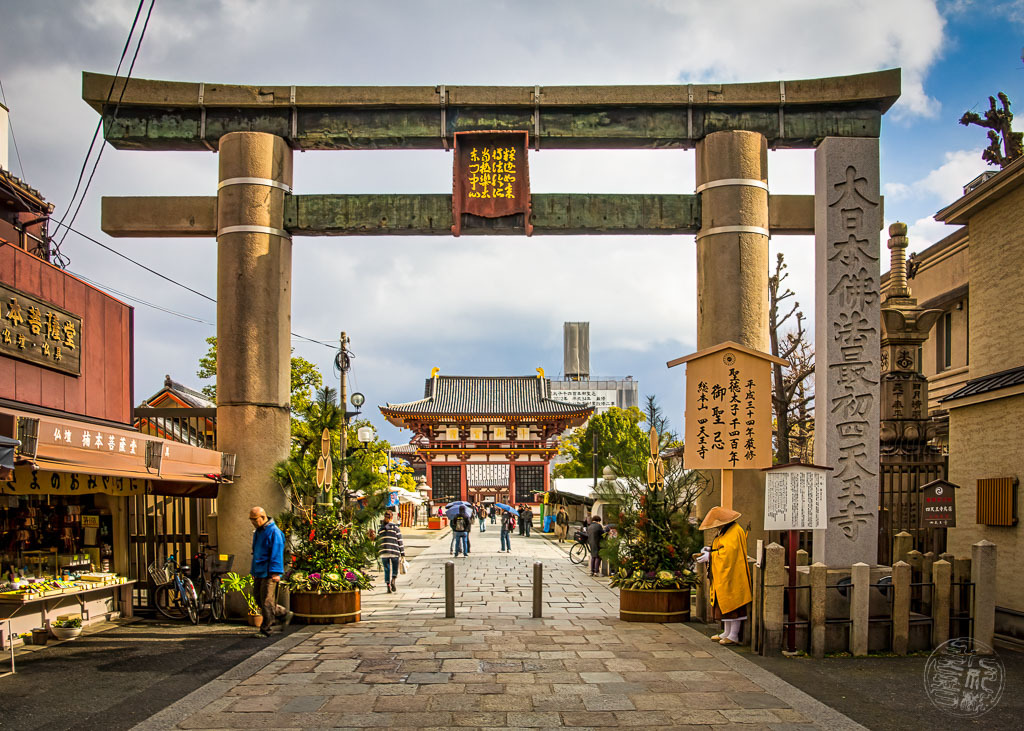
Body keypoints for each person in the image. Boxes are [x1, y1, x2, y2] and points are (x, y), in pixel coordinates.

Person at [696, 506, 751, 646]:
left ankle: (734, 635)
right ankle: (727, 632)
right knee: (724, 605)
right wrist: (709, 551)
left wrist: (711, 556)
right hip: (724, 575)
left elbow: (728, 554)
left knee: (733, 605)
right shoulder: (725, 531)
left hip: (733, 574)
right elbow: (720, 549)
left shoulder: (734, 531)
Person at [249, 506, 292, 636]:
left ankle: (266, 629)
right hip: (259, 571)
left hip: (269, 571)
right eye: (251, 519)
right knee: (259, 599)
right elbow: (255, 552)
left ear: (263, 517)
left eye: (254, 519)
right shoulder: (258, 531)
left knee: (267, 601)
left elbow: (277, 553)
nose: (253, 522)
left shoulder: (274, 532)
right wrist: (253, 572)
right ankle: (284, 613)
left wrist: (276, 573)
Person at [377, 510, 405, 593]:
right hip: (394, 551)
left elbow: (378, 541)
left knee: (386, 569)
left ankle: (388, 585)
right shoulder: (396, 528)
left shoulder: (381, 529)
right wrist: (402, 553)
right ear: (392, 517)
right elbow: (400, 540)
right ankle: (393, 580)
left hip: (384, 552)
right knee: (395, 568)